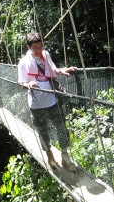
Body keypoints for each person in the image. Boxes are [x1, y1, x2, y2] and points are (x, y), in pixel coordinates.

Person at [18, 32, 77, 171]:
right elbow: (21, 81)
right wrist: (28, 84)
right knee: (43, 132)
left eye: (40, 46)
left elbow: (53, 69)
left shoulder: (46, 55)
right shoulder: (24, 62)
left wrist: (62, 70)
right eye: (35, 48)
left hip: (52, 100)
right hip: (37, 105)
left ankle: (64, 156)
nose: (39, 50)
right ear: (28, 47)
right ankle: (50, 155)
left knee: (62, 129)